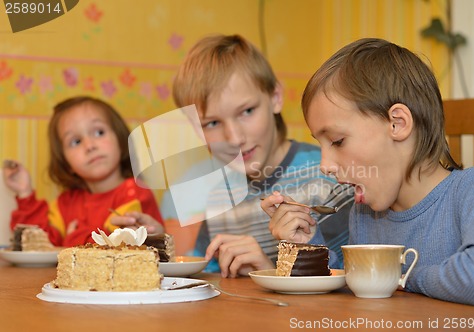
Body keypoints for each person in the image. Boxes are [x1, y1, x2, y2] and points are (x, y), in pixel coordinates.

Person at [261, 38, 474, 307]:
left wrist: (398, 277)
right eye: (321, 144)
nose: (324, 165)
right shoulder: (364, 217)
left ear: (397, 124)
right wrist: (308, 244)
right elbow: (349, 293)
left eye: (338, 141)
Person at [157, 34, 354, 278]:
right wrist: (155, 243)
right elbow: (206, 278)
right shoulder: (219, 197)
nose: (234, 137)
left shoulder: (330, 177)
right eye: (212, 123)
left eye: (247, 111)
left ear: (275, 97)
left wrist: (266, 272)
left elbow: (349, 281)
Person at [2, 96, 164, 247]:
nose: (90, 146)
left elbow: (113, 249)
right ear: (67, 163)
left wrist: (73, 237)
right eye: (76, 141)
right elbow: (35, 243)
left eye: (99, 132)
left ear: (120, 139)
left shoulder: (135, 192)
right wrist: (25, 193)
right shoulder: (65, 204)